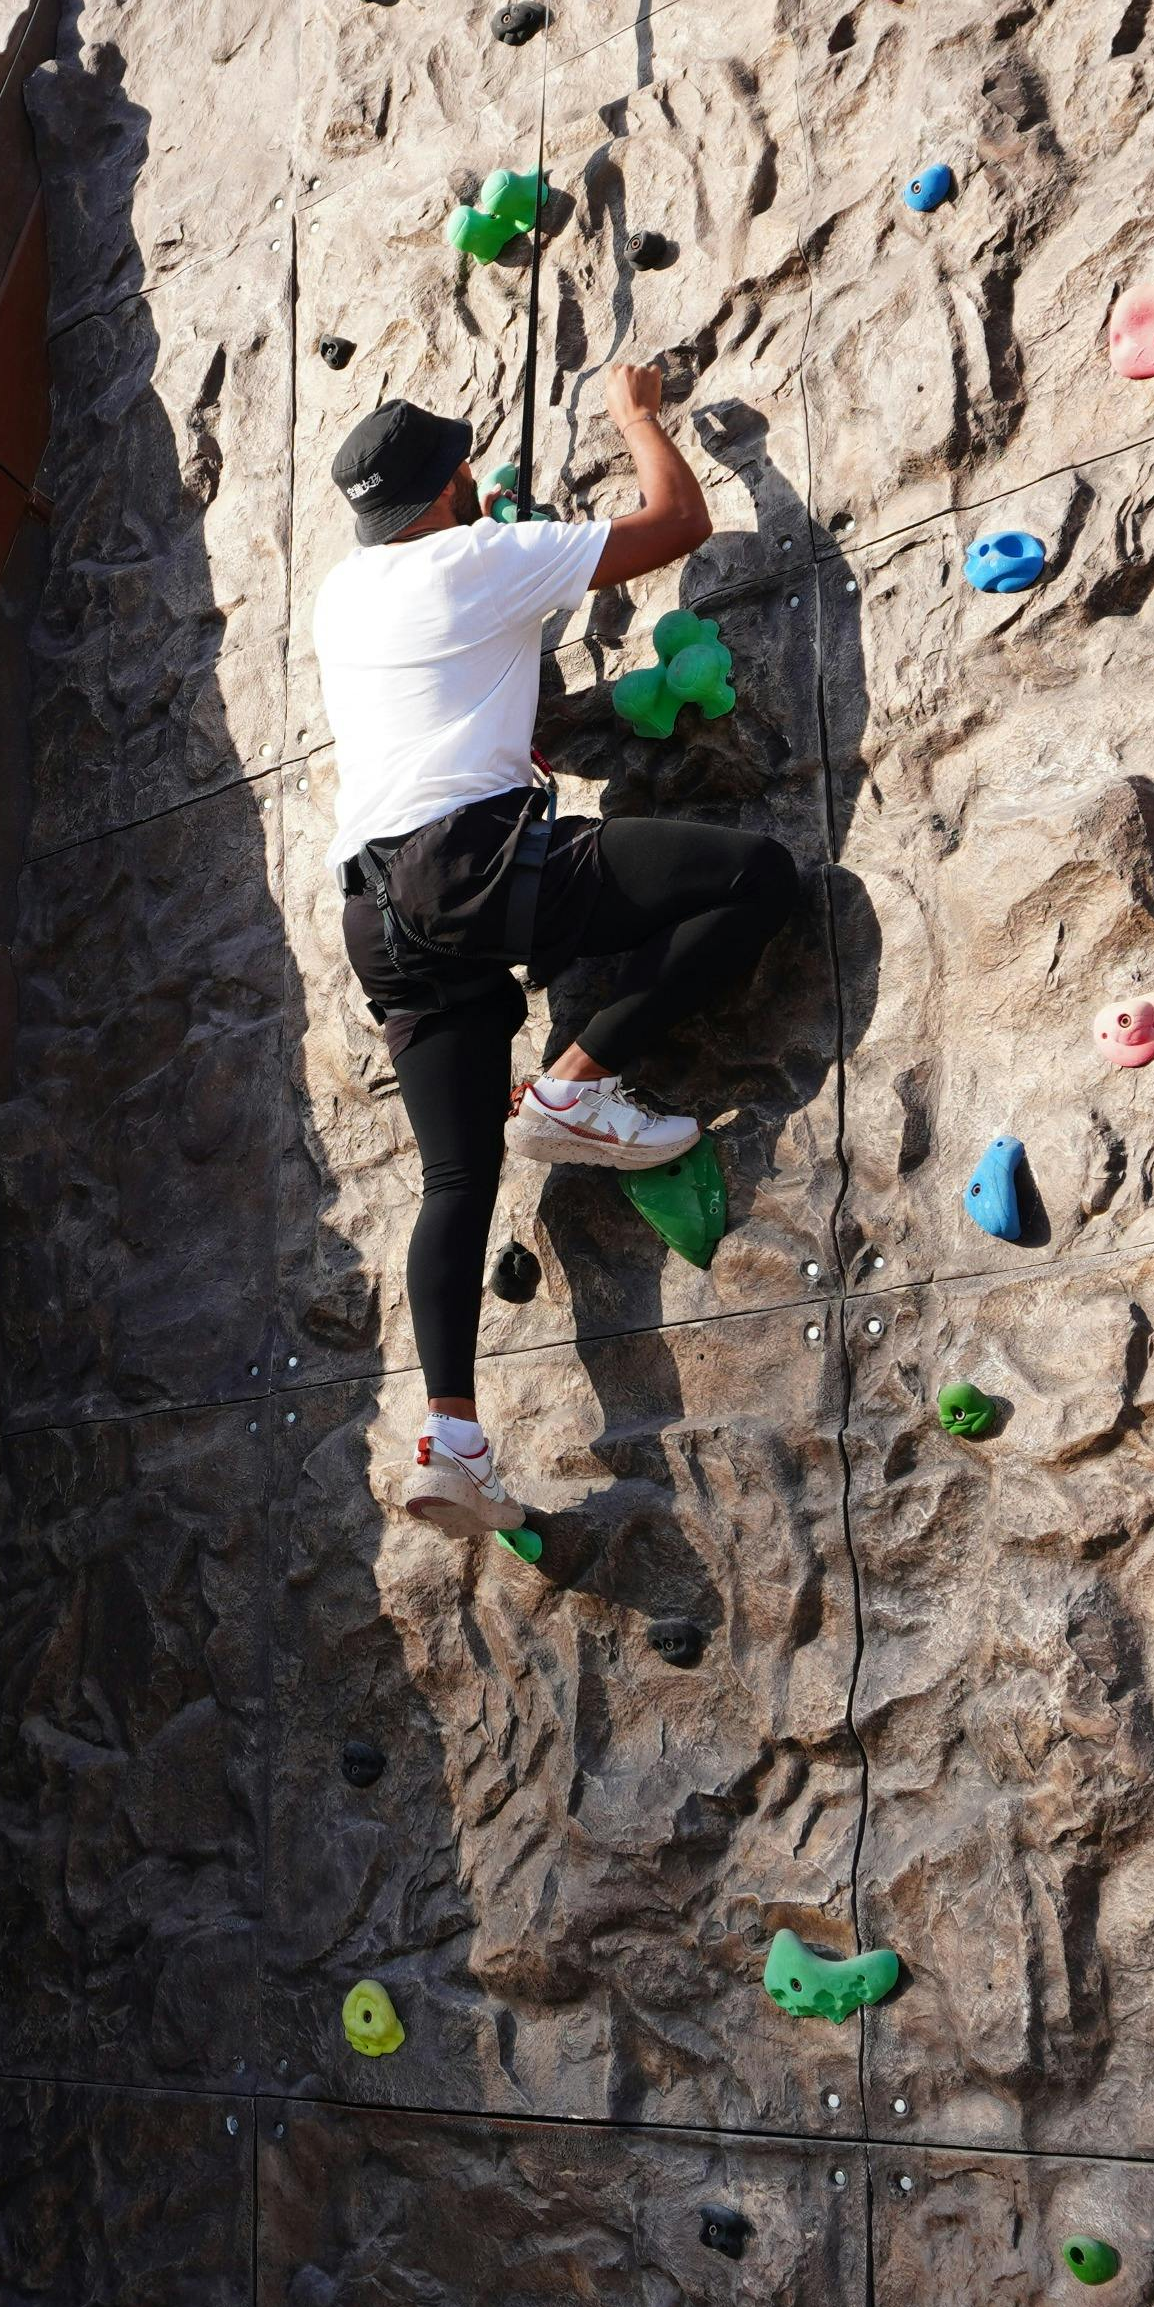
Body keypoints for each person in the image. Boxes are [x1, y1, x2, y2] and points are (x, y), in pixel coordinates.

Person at [317, 366, 806, 1540]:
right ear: (444, 495)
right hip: (471, 865)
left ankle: (453, 1438)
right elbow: (676, 526)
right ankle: (577, 1086)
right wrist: (638, 419)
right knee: (758, 878)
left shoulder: (346, 594)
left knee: (453, 1184)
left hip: (375, 911)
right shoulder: (477, 556)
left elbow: (460, 685)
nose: (477, 485)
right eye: (464, 474)